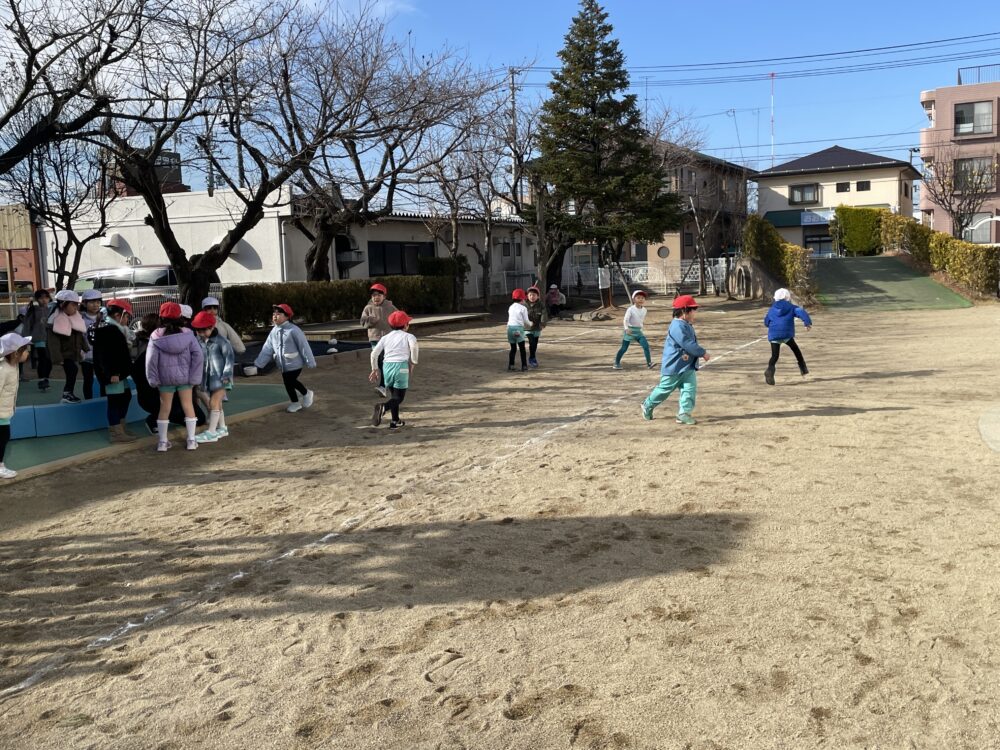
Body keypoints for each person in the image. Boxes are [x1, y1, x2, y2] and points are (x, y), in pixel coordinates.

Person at [641, 295, 709, 425]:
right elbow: (686, 343)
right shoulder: (677, 325)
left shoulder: (686, 324)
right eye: (693, 310)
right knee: (664, 390)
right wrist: (702, 352)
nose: (695, 312)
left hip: (687, 366)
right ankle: (647, 404)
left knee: (689, 390)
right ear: (684, 311)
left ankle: (684, 413)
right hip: (674, 366)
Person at [146, 301, 204, 451]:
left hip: (164, 379)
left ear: (161, 317)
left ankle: (162, 442)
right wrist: (194, 378)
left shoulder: (155, 335)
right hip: (185, 378)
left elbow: (151, 359)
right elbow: (198, 356)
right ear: (179, 316)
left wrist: (153, 379)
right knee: (188, 406)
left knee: (164, 408)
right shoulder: (188, 334)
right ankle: (191, 440)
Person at [254, 303, 316, 413]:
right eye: (274, 313)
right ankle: (295, 403)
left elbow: (303, 346)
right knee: (288, 384)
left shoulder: (294, 330)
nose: (275, 316)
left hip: (295, 363)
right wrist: (259, 363)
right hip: (282, 364)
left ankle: (307, 393)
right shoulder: (274, 331)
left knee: (290, 380)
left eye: (278, 314)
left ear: (287, 316)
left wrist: (309, 361)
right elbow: (267, 348)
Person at [92, 299, 139, 443]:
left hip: (118, 371)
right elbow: (106, 354)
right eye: (127, 316)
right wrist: (113, 373)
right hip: (113, 373)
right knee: (115, 400)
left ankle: (120, 427)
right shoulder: (109, 329)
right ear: (118, 315)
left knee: (125, 396)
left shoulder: (113, 328)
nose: (127, 320)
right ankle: (116, 432)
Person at [191, 311, 235, 443]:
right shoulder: (198, 341)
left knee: (213, 402)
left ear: (212, 327)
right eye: (198, 331)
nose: (201, 333)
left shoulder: (222, 342)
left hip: (221, 378)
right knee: (218, 403)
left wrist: (226, 376)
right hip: (207, 378)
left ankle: (211, 432)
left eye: (204, 330)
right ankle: (222, 428)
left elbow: (229, 359)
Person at [370, 310, 418, 430]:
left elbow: (374, 354)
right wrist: (413, 362)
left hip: (386, 367)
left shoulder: (385, 337)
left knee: (394, 396)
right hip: (401, 366)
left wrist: (374, 369)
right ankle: (383, 407)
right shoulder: (409, 336)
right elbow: (414, 348)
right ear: (406, 325)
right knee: (399, 398)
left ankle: (395, 421)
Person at [47, 289, 89, 404]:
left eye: (76, 305)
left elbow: (80, 335)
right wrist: (57, 358)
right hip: (64, 353)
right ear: (63, 305)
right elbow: (53, 342)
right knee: (72, 370)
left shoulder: (76, 317)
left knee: (73, 370)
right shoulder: (55, 320)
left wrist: (85, 348)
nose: (76, 307)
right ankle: (67, 393)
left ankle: (68, 393)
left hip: (72, 351)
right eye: (73, 305)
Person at [764, 288, 812, 385]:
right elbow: (801, 312)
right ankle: (803, 369)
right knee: (796, 350)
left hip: (774, 335)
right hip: (786, 335)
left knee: (774, 356)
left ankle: (770, 370)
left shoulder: (772, 309)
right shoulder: (791, 307)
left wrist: (771, 325)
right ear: (787, 297)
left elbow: (766, 322)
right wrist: (807, 323)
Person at [0, 333, 32, 479]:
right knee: (2, 438)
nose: (28, 353)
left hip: (4, 412)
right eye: (25, 350)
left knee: (4, 437)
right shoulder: (3, 369)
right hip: (0, 413)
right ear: (15, 353)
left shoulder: (13, 366)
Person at [360, 282, 397, 397]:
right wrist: (371, 320)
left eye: (379, 295)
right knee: (379, 360)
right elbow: (362, 322)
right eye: (373, 295)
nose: (376, 297)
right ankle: (385, 385)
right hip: (375, 339)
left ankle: (383, 386)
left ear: (384, 296)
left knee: (384, 361)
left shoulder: (390, 307)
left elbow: (398, 318)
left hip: (388, 339)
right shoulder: (368, 308)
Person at [614, 290, 654, 370]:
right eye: (638, 298)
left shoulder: (645, 310)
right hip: (630, 331)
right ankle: (616, 363)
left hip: (638, 331)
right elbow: (625, 320)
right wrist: (626, 328)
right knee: (624, 348)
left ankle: (649, 363)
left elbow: (640, 321)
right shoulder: (630, 309)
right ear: (633, 299)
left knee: (646, 346)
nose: (641, 299)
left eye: (642, 298)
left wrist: (640, 328)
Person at [21, 289, 52, 390]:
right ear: (37, 299)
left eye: (46, 297)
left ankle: (46, 378)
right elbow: (27, 325)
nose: (44, 300)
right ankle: (42, 380)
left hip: (50, 338)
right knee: (43, 358)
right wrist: (25, 338)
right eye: (41, 298)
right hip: (38, 338)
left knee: (49, 360)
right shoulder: (33, 310)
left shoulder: (50, 309)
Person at [80, 289, 105, 400]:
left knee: (103, 379)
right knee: (88, 380)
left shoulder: (104, 317)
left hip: (101, 355)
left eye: (98, 302)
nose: (95, 305)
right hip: (86, 356)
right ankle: (88, 401)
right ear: (84, 303)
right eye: (92, 302)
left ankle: (104, 400)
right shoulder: (80, 318)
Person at [507, 288, 530, 372]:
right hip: (518, 329)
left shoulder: (511, 307)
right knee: (522, 348)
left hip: (509, 328)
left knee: (513, 348)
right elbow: (526, 321)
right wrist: (531, 324)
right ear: (522, 299)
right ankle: (524, 366)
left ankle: (511, 365)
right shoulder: (523, 308)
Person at [524, 286, 545, 368]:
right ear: (527, 296)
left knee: (535, 344)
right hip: (527, 328)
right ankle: (532, 358)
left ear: (538, 296)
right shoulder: (524, 305)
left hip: (537, 327)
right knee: (532, 342)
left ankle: (532, 357)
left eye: (534, 295)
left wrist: (542, 323)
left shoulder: (541, 305)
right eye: (530, 295)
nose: (532, 297)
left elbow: (544, 314)